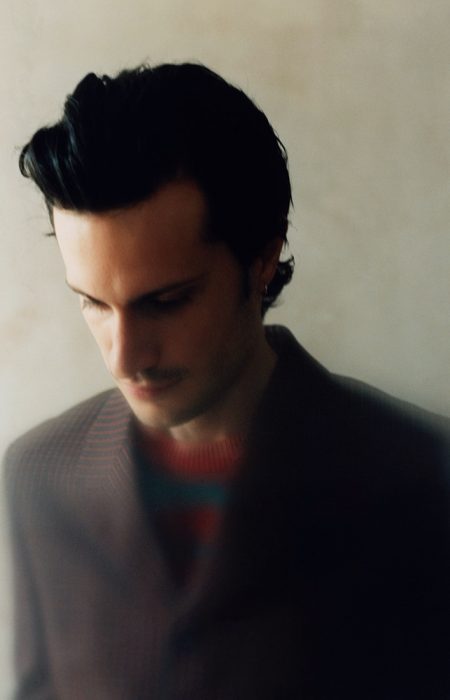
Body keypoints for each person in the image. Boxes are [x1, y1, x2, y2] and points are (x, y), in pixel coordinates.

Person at [4, 63, 450, 700]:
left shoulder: (420, 478)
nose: (124, 357)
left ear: (262, 260)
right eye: (93, 303)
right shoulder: (37, 475)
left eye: (167, 301)